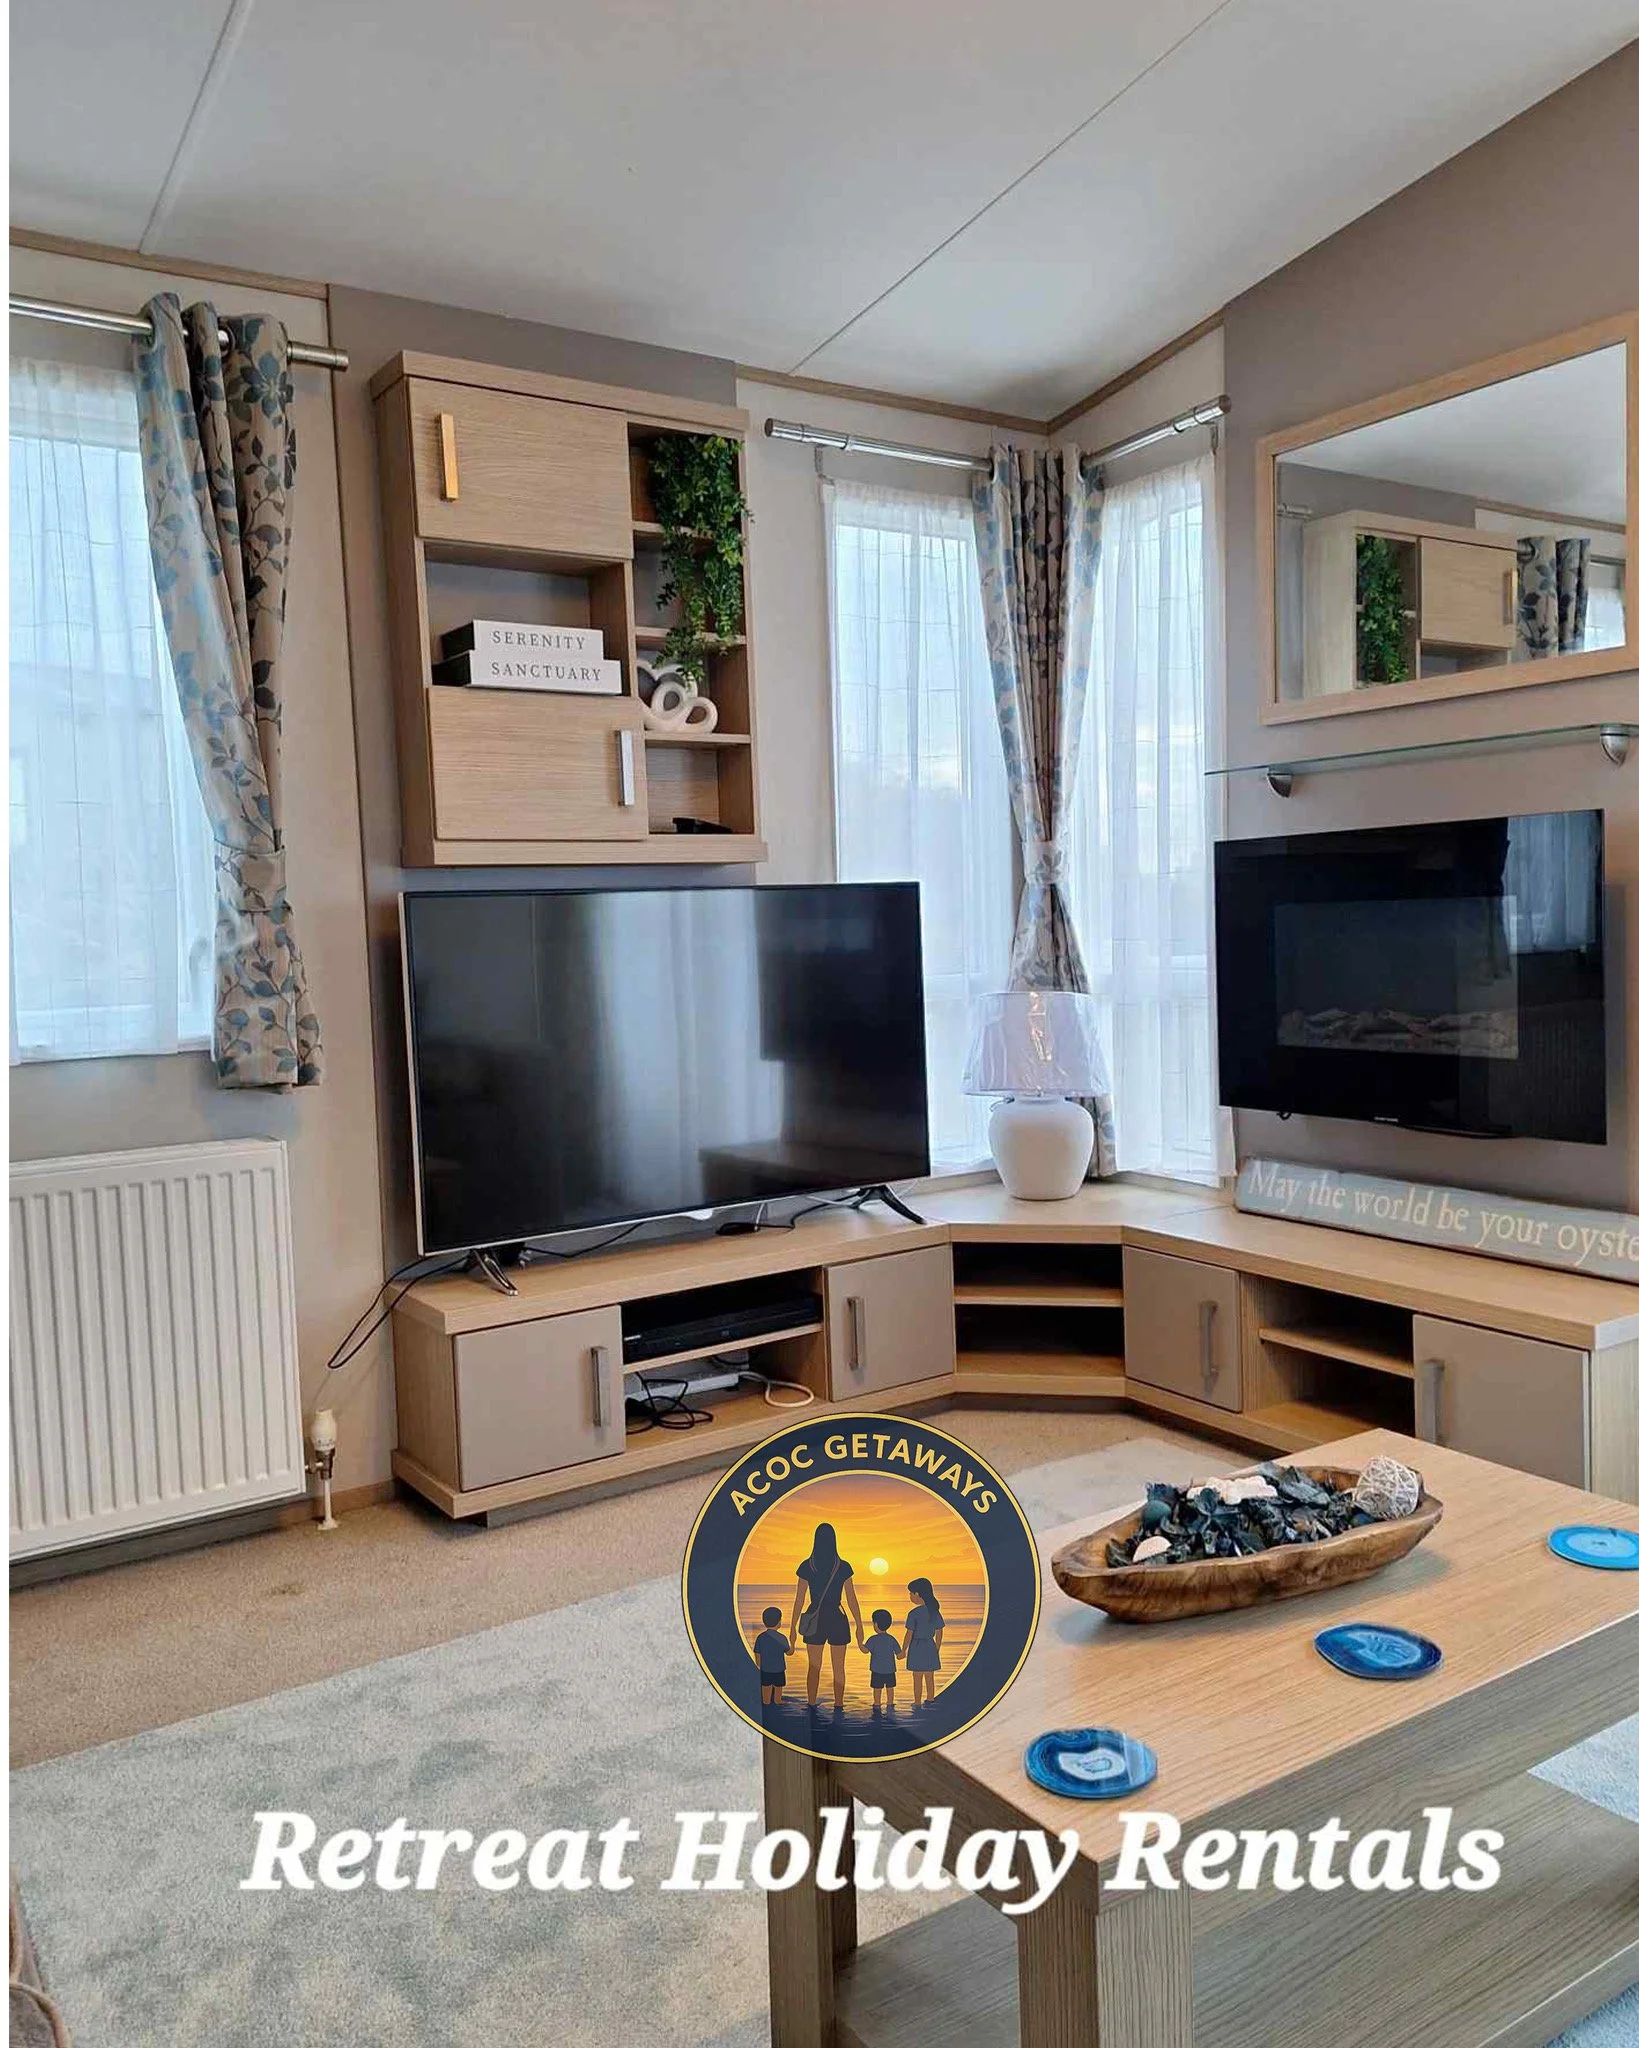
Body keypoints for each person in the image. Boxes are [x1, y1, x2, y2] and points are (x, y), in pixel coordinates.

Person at [788, 1521, 864, 1709]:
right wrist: (859, 1625)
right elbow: (851, 1599)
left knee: (814, 1667)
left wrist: (793, 1627)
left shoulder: (807, 1566)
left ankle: (811, 1703)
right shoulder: (843, 1566)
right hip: (838, 1618)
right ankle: (839, 1704)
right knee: (839, 1667)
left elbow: (799, 1600)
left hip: (815, 1619)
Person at [903, 1578, 945, 1705]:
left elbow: (909, 1634)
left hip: (917, 1646)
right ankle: (930, 1698)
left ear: (917, 1594)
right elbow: (939, 1632)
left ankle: (917, 1702)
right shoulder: (934, 1611)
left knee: (917, 1676)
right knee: (929, 1676)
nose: (910, 1596)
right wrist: (936, 1648)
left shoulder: (914, 1613)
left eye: (911, 1593)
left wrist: (903, 1650)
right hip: (930, 1646)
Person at [863, 1608, 900, 1711]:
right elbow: (899, 1653)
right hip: (890, 1670)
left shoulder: (873, 1639)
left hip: (877, 1671)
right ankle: (890, 1704)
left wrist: (859, 1642)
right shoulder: (891, 1639)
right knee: (890, 1688)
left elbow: (865, 1650)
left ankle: (877, 1704)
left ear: (875, 1624)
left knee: (877, 1689)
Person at [752, 1606, 790, 1706]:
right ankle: (778, 1700)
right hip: (779, 1669)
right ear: (779, 1622)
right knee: (778, 1687)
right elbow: (788, 1652)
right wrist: (793, 1645)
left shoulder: (760, 1637)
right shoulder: (782, 1638)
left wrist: (760, 1665)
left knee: (766, 1688)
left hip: (765, 1670)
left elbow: (757, 1653)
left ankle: (766, 1701)